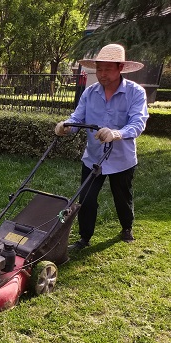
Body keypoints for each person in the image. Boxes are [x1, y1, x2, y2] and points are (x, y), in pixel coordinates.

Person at [55, 43, 149, 249]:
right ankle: (84, 238)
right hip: (94, 157)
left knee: (122, 197)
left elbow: (138, 123)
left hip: (122, 159)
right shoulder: (90, 93)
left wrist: (117, 133)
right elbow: (77, 118)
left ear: (120, 68)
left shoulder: (136, 93)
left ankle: (126, 227)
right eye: (99, 69)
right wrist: (66, 126)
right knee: (86, 199)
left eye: (107, 69)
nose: (102, 74)